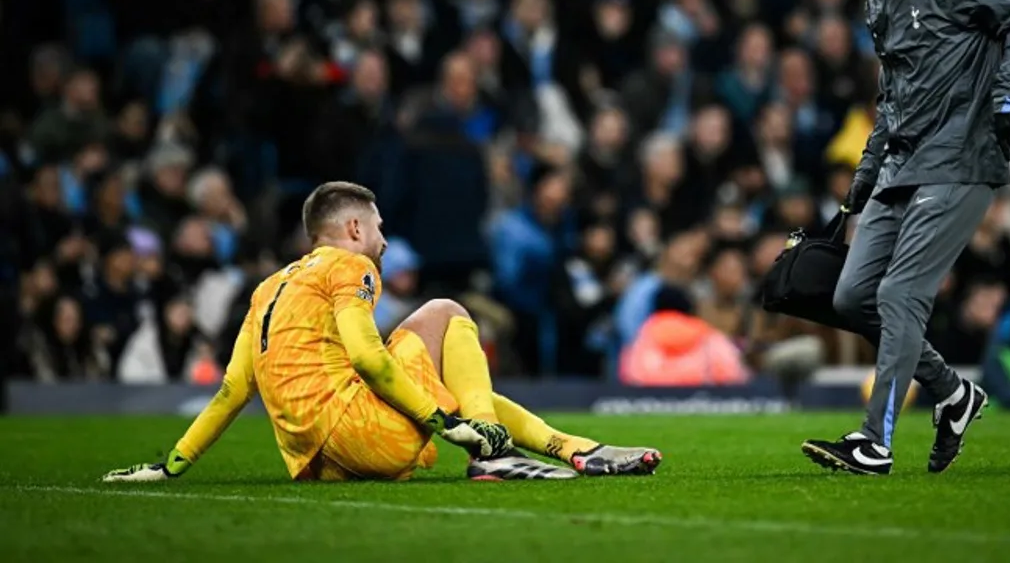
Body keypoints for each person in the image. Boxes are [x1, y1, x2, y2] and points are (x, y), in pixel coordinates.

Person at [103, 182, 661, 483]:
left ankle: (575, 450)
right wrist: (449, 426)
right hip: (361, 435)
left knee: (461, 391)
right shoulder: (351, 267)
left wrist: (172, 463)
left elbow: (232, 390)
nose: (385, 242)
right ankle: (492, 453)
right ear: (352, 228)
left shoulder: (268, 287)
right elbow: (369, 357)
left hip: (318, 466)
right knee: (444, 310)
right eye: (378, 228)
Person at [800, 0, 1010, 476]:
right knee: (852, 296)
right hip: (900, 165)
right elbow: (891, 100)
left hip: (960, 157)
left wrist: (1007, 95)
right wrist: (863, 179)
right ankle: (955, 396)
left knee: (898, 294)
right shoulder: (879, 0)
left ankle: (875, 443)